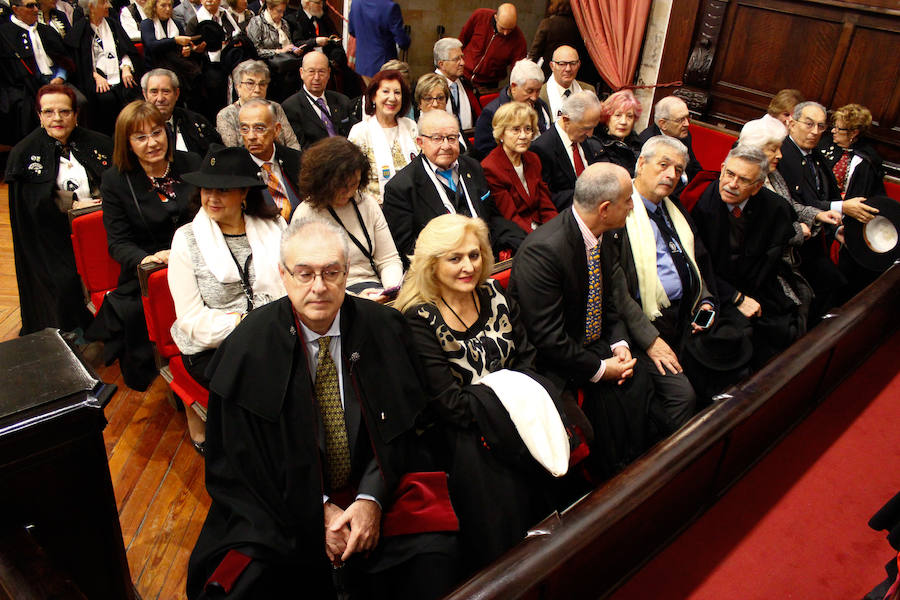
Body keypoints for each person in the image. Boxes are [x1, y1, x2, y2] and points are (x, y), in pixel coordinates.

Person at [187, 218, 458, 600]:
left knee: (436, 555)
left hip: (372, 480)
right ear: (283, 275)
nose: (319, 287)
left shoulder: (384, 328)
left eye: (331, 272)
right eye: (304, 273)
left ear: (347, 273)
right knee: (242, 586)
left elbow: (402, 427)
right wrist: (320, 512)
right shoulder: (248, 348)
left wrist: (370, 499)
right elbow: (238, 465)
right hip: (281, 505)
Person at [397, 213, 565, 572]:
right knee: (501, 494)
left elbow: (528, 362)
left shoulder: (493, 293)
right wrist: (511, 391)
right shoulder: (418, 318)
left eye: (474, 255)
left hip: (518, 419)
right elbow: (451, 407)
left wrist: (504, 394)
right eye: (454, 258)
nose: (468, 267)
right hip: (463, 437)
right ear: (431, 264)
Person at [508, 162, 657, 478]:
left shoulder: (602, 234)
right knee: (605, 420)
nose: (633, 207)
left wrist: (619, 343)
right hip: (555, 362)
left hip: (592, 343)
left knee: (641, 379)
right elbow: (548, 340)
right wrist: (601, 369)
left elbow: (610, 302)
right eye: (628, 201)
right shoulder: (544, 252)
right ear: (605, 209)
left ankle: (641, 474)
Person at [168, 144, 285, 451]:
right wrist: (250, 324)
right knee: (269, 386)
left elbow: (293, 286)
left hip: (274, 333)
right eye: (206, 189)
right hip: (212, 346)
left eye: (222, 189)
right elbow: (191, 320)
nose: (211, 198)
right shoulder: (186, 239)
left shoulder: (274, 226)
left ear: (244, 191)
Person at [601, 135, 719, 428]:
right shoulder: (620, 214)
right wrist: (650, 340)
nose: (671, 175)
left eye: (678, 170)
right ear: (641, 163)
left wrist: (705, 299)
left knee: (722, 368)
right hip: (641, 322)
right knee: (683, 395)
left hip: (685, 315)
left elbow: (695, 261)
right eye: (663, 165)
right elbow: (616, 291)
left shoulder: (673, 209)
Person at [91, 100, 201, 391]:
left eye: (157, 132)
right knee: (137, 314)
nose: (152, 143)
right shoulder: (115, 180)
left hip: (200, 259)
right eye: (141, 137)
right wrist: (150, 258)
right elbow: (118, 243)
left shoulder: (190, 163)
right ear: (127, 143)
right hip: (150, 269)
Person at [5, 84, 112, 336]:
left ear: (76, 114)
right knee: (65, 282)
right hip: (52, 237)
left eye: (64, 112)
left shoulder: (99, 142)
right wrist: (74, 204)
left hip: (102, 228)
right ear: (39, 116)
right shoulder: (23, 153)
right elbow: (32, 204)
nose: (57, 119)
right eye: (49, 112)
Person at [690, 145, 809, 366]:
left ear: (757, 187)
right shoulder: (698, 203)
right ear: (722, 168)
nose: (732, 184)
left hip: (758, 285)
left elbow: (770, 262)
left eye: (743, 180)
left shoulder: (776, 208)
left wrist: (750, 296)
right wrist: (736, 297)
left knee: (786, 328)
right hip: (714, 287)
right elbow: (697, 264)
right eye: (729, 174)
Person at [383, 110, 525, 267]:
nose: (446, 146)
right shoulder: (401, 187)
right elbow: (408, 249)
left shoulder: (473, 167)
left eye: (452, 138)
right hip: (441, 269)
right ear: (420, 142)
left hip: (484, 256)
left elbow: (491, 217)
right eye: (437, 138)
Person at [777, 101, 870, 313]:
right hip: (794, 244)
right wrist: (842, 207)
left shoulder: (816, 155)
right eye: (809, 124)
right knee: (830, 287)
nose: (815, 132)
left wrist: (836, 229)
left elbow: (826, 195)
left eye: (821, 126)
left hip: (818, 242)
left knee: (842, 285)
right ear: (791, 123)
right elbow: (793, 204)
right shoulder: (782, 155)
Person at [292, 137, 403, 302]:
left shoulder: (367, 203)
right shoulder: (305, 214)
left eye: (354, 185)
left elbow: (388, 259)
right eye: (341, 186)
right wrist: (354, 298)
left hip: (374, 287)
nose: (348, 192)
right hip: (329, 296)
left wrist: (390, 290)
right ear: (323, 182)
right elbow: (303, 276)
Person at [738, 117, 841, 251]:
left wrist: (817, 215)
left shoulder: (772, 173)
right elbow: (761, 227)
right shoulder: (744, 181)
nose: (780, 155)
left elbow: (787, 204)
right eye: (773, 150)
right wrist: (796, 231)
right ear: (755, 149)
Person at [66, 0, 142, 135]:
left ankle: (135, 133)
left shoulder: (112, 24)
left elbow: (126, 49)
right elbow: (79, 64)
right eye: (103, 2)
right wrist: (94, 75)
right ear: (91, 7)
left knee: (132, 91)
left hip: (119, 72)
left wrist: (125, 67)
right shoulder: (80, 30)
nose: (108, 5)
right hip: (95, 78)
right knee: (106, 99)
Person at [0, 0, 71, 144]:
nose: (35, 9)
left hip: (56, 81)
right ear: (15, 9)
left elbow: (65, 61)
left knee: (80, 100)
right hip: (24, 86)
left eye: (36, 5)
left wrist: (60, 78)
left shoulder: (47, 31)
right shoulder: (4, 35)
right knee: (24, 108)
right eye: (30, 6)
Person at [481, 101, 557, 233]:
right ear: (501, 134)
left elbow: (546, 205)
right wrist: (540, 239)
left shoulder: (533, 159)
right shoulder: (491, 167)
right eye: (516, 129)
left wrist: (557, 230)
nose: (523, 136)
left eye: (528, 129)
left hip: (541, 229)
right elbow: (511, 217)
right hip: (519, 235)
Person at [347, 69, 418, 205]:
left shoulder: (411, 127)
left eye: (397, 92)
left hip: (413, 203)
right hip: (375, 207)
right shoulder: (360, 132)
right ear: (373, 96)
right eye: (385, 91)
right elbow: (350, 177)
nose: (392, 98)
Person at [531, 90, 606, 211]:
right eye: (586, 128)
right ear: (566, 120)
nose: (590, 135)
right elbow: (546, 199)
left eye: (593, 128)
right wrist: (588, 196)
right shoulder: (541, 149)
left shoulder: (581, 137)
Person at [238, 98, 302, 221]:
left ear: (276, 130)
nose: (251, 136)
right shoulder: (236, 170)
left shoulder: (296, 159)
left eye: (259, 128)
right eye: (245, 129)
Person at [473, 58, 551, 157]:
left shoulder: (541, 105)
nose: (534, 97)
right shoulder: (491, 113)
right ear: (513, 87)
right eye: (529, 91)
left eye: (538, 91)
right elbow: (484, 154)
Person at [215, 59, 300, 149]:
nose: (257, 90)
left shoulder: (275, 107)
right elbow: (233, 154)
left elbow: (293, 144)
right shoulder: (226, 115)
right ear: (238, 87)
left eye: (262, 84)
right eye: (250, 83)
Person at [282, 51, 357, 147]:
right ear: (301, 73)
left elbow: (355, 133)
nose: (317, 77)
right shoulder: (291, 107)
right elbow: (300, 147)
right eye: (311, 72)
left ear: (329, 73)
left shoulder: (342, 100)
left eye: (321, 71)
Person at [141, 68, 222, 155]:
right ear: (145, 95)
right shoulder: (136, 126)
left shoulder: (196, 122)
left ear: (176, 94)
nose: (160, 98)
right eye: (154, 92)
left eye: (166, 91)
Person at [184, 0, 241, 120]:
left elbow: (237, 34)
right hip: (206, 63)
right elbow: (188, 48)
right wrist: (196, 50)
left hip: (229, 59)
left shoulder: (225, 15)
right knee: (215, 80)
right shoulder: (195, 21)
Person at [637, 95, 701, 197]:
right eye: (680, 120)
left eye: (688, 118)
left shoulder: (684, 135)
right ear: (663, 124)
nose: (687, 124)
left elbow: (694, 167)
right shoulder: (646, 142)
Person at [821, 103, 887, 200]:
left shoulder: (866, 159)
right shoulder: (824, 143)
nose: (833, 131)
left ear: (853, 133)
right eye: (834, 126)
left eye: (838, 128)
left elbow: (862, 194)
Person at [140, 0, 202, 96]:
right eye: (163, 6)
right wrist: (174, 40)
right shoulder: (147, 23)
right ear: (154, 7)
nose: (168, 9)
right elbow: (152, 45)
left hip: (177, 63)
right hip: (156, 64)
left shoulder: (176, 24)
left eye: (170, 5)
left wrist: (186, 50)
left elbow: (185, 45)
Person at [459, 3, 526, 92]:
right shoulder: (480, 16)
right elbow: (462, 40)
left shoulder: (519, 39)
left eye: (510, 29)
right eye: (502, 28)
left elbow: (518, 71)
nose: (506, 33)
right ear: (496, 18)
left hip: (488, 85)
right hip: (462, 74)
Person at [528, 0, 597, 83]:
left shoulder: (548, 24)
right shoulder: (581, 27)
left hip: (549, 75)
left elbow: (534, 54)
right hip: (575, 77)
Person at [347, 0, 409, 79]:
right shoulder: (390, 7)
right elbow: (402, 41)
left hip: (361, 66)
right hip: (383, 68)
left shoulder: (356, 3)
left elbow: (352, 31)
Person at [414, 73, 470, 153]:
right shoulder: (413, 128)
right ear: (419, 103)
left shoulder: (452, 123)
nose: (435, 104)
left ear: (446, 101)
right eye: (428, 99)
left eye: (440, 98)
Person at [539, 45, 595, 123]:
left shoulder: (588, 91)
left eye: (573, 63)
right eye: (562, 64)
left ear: (579, 65)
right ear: (552, 66)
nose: (568, 69)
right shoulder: (541, 94)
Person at [433, 37, 476, 131]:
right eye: (456, 59)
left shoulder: (466, 83)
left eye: (462, 57)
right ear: (441, 64)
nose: (463, 63)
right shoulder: (430, 87)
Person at [596, 89, 643, 176]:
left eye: (629, 116)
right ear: (607, 117)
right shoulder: (596, 144)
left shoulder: (638, 144)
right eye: (618, 115)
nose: (623, 122)